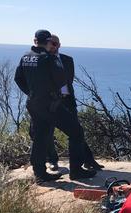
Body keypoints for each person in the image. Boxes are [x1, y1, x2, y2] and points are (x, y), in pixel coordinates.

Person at [14, 30, 67, 184]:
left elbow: (18, 78)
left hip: (33, 102)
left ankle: (39, 171)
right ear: (49, 41)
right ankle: (40, 173)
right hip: (48, 103)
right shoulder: (47, 58)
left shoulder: (25, 56)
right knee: (43, 137)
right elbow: (61, 80)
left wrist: (31, 93)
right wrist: (63, 96)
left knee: (38, 136)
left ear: (35, 40)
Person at [46, 35, 103, 172]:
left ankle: (87, 160)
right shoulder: (42, 61)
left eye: (54, 43)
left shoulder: (67, 60)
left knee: (77, 132)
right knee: (47, 132)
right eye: (49, 43)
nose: (51, 46)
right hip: (48, 103)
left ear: (59, 44)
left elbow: (68, 80)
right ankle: (52, 161)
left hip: (67, 100)